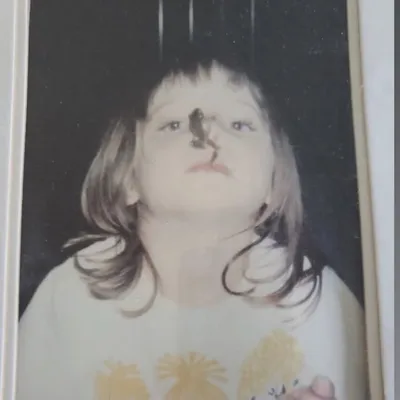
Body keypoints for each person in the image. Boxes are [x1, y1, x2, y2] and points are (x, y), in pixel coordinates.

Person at [17, 56, 367, 399]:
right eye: (174, 124)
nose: (209, 132)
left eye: (239, 124)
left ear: (274, 183)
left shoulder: (317, 302)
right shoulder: (71, 296)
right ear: (126, 177)